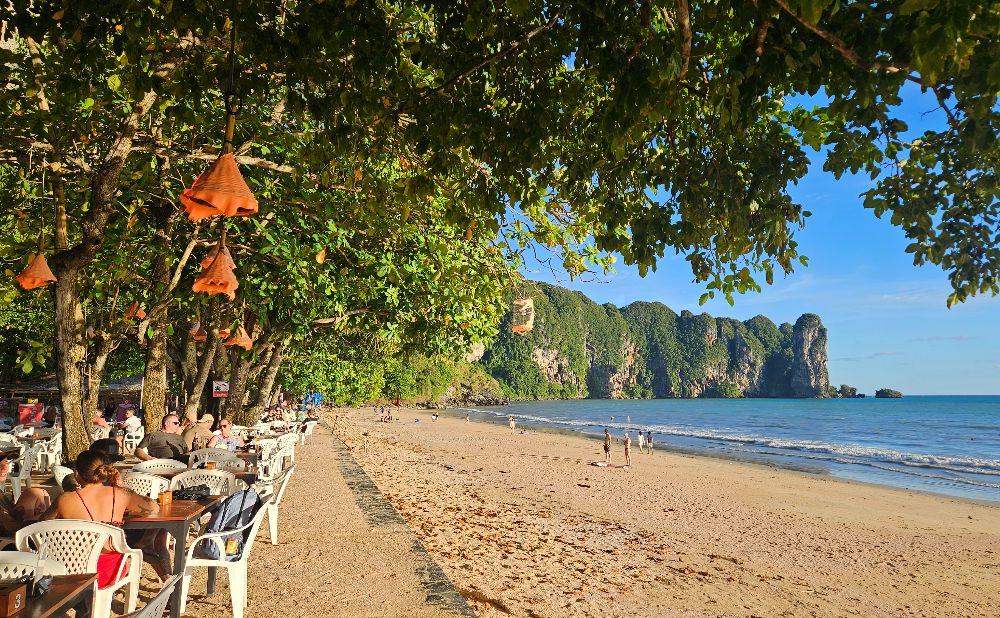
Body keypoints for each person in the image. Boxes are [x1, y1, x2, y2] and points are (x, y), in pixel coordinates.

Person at [46, 450, 159, 588]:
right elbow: (153, 508)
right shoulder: (122, 494)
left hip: (71, 570)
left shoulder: (64, 499)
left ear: (77, 474)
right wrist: (120, 488)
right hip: (111, 571)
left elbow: (43, 523)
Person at [0, 458, 50, 534]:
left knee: (39, 493)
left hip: (16, 523)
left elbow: (9, 510)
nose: (4, 467)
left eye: (6, 462)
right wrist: (43, 518)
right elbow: (12, 527)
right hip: (14, 534)